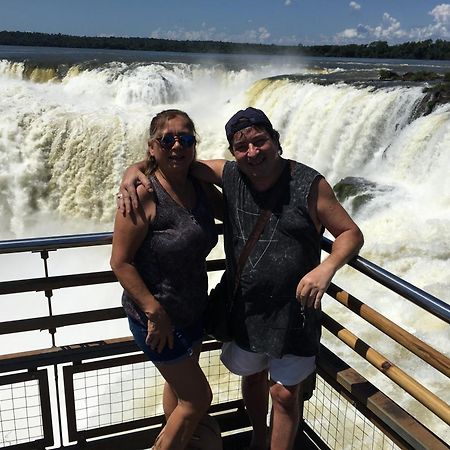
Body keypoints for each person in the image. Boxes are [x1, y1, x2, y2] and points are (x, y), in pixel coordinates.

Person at [118, 107, 364, 450]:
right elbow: (172, 165)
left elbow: (351, 233)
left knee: (283, 394)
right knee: (250, 379)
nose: (252, 152)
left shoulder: (309, 184)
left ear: (275, 140)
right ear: (233, 152)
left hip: (294, 315)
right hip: (245, 312)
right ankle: (257, 441)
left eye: (259, 141)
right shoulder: (231, 177)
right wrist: (134, 170)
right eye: (241, 146)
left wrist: (327, 268)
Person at [110, 109, 222, 450]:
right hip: (156, 321)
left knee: (179, 392)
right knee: (197, 398)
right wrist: (154, 313)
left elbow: (238, 202)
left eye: (186, 138)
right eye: (167, 139)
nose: (177, 145)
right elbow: (120, 261)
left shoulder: (200, 189)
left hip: (191, 312)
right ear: (152, 147)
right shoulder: (142, 193)